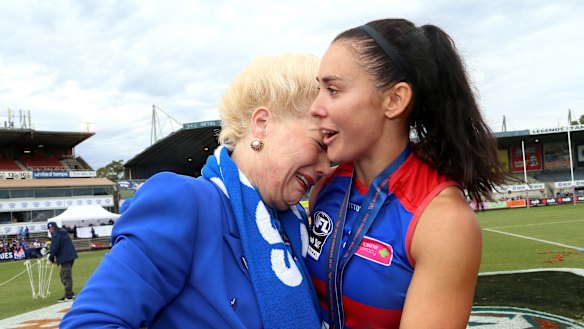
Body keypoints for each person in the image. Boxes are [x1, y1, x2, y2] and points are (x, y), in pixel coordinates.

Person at [60, 53, 331, 329]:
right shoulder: (185, 202)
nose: (325, 168)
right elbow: (89, 322)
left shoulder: (294, 225)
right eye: (320, 145)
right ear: (262, 123)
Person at [306, 18, 508, 328]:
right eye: (319, 89)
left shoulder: (443, 221)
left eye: (333, 90)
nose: (315, 107)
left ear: (394, 100)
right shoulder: (326, 186)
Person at [47, 221, 78, 302]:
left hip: (66, 257)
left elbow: (54, 247)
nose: (49, 231)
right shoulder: (62, 231)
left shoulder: (56, 234)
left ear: (52, 228)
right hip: (69, 256)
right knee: (63, 275)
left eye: (49, 229)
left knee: (65, 276)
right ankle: (69, 293)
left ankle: (69, 295)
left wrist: (51, 258)